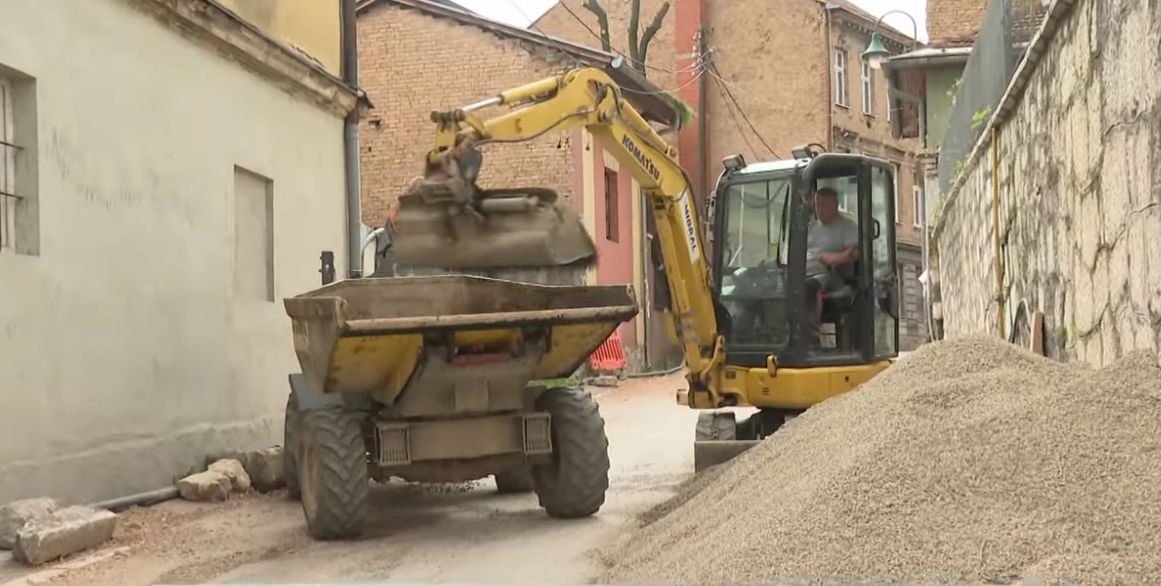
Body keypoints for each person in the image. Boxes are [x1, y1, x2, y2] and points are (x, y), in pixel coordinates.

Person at [803, 188, 859, 348]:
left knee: (808, 288)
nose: (820, 209)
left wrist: (836, 258)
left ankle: (811, 340)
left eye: (825, 205)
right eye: (817, 205)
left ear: (836, 205)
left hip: (831, 272)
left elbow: (856, 253)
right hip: (804, 269)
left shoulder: (846, 226)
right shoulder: (811, 227)